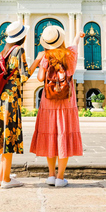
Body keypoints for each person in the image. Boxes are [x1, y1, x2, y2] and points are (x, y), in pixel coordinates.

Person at [0, 21, 44, 189]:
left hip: (0, 100)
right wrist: (37, 61)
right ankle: (7, 181)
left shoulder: (4, 51)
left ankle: (1, 176)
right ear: (22, 37)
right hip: (11, 101)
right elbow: (24, 76)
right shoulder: (18, 50)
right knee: (9, 138)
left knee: (3, 137)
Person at [30, 26, 85, 187]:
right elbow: (75, 44)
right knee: (64, 135)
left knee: (50, 135)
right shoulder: (71, 54)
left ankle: (51, 176)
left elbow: (40, 78)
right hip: (67, 101)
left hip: (48, 102)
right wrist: (78, 36)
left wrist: (41, 63)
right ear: (61, 40)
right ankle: (61, 178)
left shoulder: (46, 56)